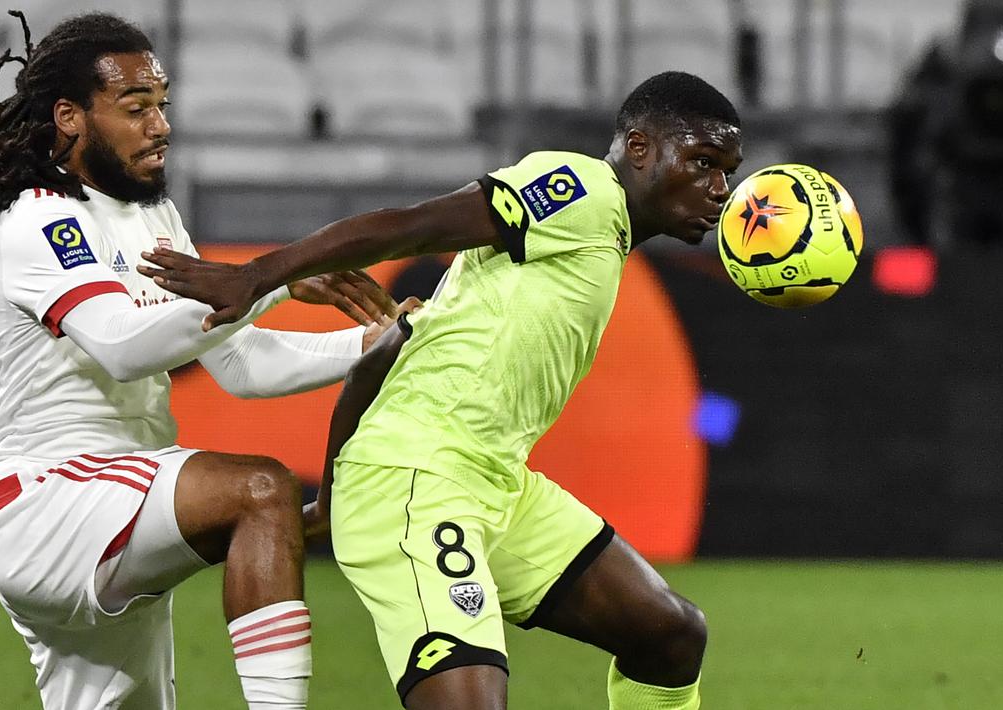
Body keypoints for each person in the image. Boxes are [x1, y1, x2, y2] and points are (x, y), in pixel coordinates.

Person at [141, 71, 743, 709]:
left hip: (495, 485)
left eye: (728, 171)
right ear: (640, 148)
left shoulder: (591, 243)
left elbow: (384, 356)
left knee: (669, 635)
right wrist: (257, 277)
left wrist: (335, 498)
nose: (720, 190)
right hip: (419, 485)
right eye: (702, 162)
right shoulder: (584, 191)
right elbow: (412, 226)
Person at [0, 12, 400, 710]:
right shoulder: (43, 218)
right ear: (70, 117)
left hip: (118, 506)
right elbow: (124, 347)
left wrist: (373, 346)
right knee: (261, 492)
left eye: (162, 105)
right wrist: (270, 280)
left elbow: (241, 364)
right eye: (135, 109)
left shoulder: (154, 217)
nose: (160, 126)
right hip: (47, 499)